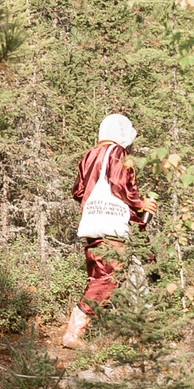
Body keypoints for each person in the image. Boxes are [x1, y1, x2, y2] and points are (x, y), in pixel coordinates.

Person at [66, 112, 152, 348]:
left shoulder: (89, 156)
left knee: (114, 275)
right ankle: (73, 334)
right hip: (113, 228)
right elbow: (120, 183)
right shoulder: (118, 153)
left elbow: (77, 191)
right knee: (106, 280)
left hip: (93, 226)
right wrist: (140, 203)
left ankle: (140, 334)